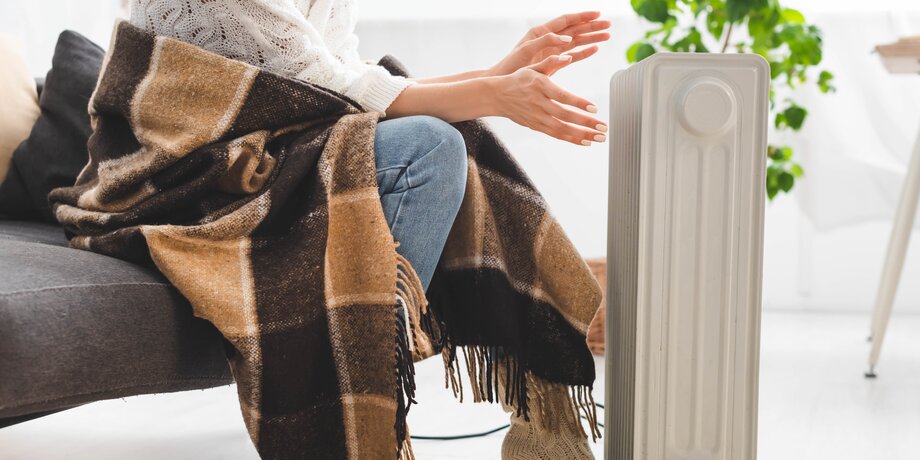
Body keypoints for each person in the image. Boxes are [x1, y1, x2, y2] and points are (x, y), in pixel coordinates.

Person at [129, 1, 609, 458]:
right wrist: (493, 92)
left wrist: (497, 76)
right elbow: (329, 88)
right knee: (430, 144)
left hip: (270, 149)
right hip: (191, 173)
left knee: (455, 132)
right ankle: (359, 391)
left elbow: (349, 78)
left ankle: (535, 427)